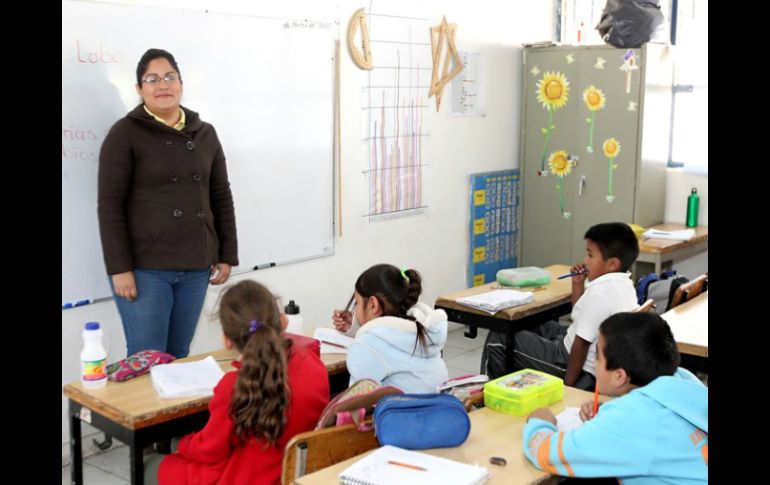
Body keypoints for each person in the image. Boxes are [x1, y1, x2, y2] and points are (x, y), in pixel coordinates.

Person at [98, 48, 238, 358]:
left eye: (169, 77)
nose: (162, 85)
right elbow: (110, 206)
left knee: (179, 355)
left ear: (181, 83)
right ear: (139, 89)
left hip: (196, 265)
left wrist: (226, 254)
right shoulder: (125, 134)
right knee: (147, 358)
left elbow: (220, 196)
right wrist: (119, 268)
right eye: (152, 79)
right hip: (146, 268)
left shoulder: (204, 133)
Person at [146, 280, 330, 485]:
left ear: (227, 340)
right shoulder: (313, 364)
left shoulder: (234, 385)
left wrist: (184, 444)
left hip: (241, 477)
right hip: (293, 473)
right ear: (283, 321)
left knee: (150, 463)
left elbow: (210, 449)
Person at [522, 312, 707, 483]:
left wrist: (539, 421)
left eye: (598, 357)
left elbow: (545, 454)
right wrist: (611, 414)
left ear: (619, 376)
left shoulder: (631, 419)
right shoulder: (684, 379)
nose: (594, 363)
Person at [482, 222, 639, 389]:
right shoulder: (624, 285)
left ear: (612, 264)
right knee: (528, 322)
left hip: (568, 360)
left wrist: (568, 387)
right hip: (569, 340)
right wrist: (577, 285)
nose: (585, 261)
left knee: (500, 336)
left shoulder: (601, 293)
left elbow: (581, 344)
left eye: (590, 255)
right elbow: (581, 316)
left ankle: (488, 399)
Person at [331, 264, 449, 393]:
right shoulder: (423, 328)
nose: (355, 309)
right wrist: (356, 327)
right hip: (439, 407)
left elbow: (358, 400)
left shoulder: (365, 346)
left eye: (357, 303)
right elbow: (389, 340)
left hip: (401, 411)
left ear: (373, 305)